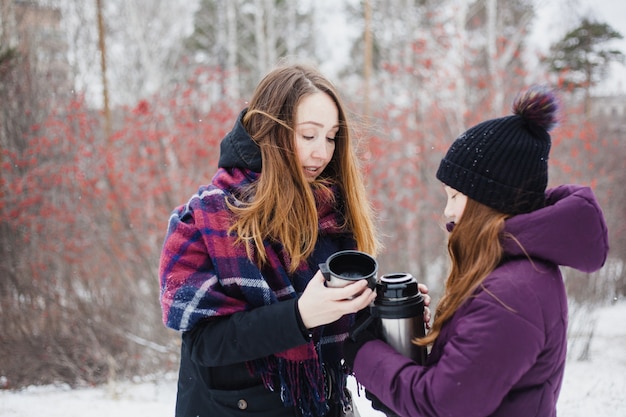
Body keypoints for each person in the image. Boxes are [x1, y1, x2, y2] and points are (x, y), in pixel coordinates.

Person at [343, 86, 609, 417]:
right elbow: (462, 382)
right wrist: (402, 342)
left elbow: (444, 405)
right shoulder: (513, 272)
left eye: (454, 196)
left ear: (489, 201)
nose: (447, 212)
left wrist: (364, 353)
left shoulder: (512, 295)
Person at [158, 63, 383, 417]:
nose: (322, 153)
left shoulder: (332, 210)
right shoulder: (207, 218)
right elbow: (205, 343)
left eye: (331, 136)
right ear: (270, 132)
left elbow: (342, 327)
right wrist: (298, 316)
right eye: (308, 135)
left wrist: (387, 310)